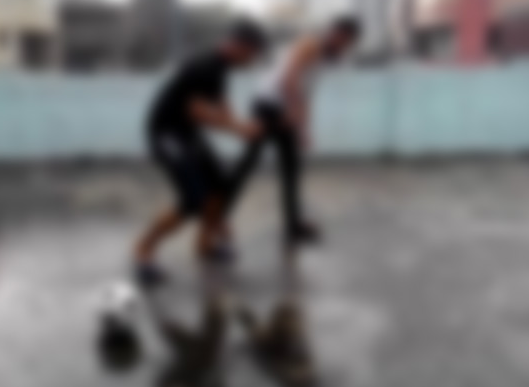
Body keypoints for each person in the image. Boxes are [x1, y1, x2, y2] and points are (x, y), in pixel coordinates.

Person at [133, 20, 268, 288]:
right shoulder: (205, 66)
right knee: (193, 199)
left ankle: (205, 245)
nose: (253, 61)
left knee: (220, 185)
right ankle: (143, 252)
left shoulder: (221, 67)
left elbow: (222, 105)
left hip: (186, 133)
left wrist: (241, 125)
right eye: (253, 54)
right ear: (241, 47)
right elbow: (197, 112)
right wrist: (239, 129)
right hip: (166, 134)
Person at [228, 17, 361, 247]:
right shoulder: (311, 44)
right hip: (268, 106)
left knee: (291, 170)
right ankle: (216, 220)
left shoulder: (327, 56)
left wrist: (304, 129)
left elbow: (307, 91)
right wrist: (293, 113)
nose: (344, 45)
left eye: (349, 42)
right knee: (246, 166)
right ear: (337, 34)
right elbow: (288, 79)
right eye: (343, 39)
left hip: (284, 109)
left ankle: (293, 227)